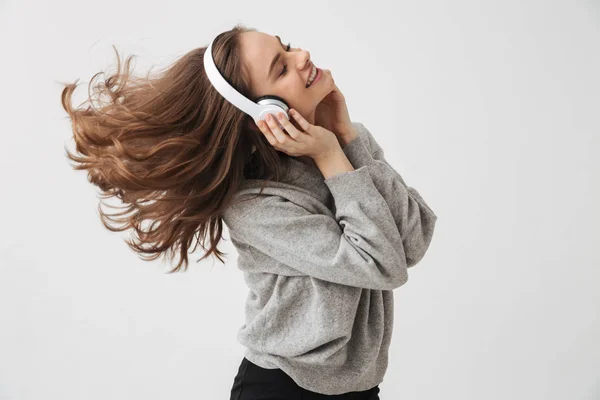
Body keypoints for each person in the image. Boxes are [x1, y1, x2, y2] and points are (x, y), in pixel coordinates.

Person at [60, 23, 438, 399]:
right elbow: (382, 264)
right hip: (285, 387)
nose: (302, 56)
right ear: (263, 112)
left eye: (287, 47)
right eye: (282, 67)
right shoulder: (254, 201)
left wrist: (345, 137)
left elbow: (415, 239)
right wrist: (329, 154)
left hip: (361, 387)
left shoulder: (343, 144)